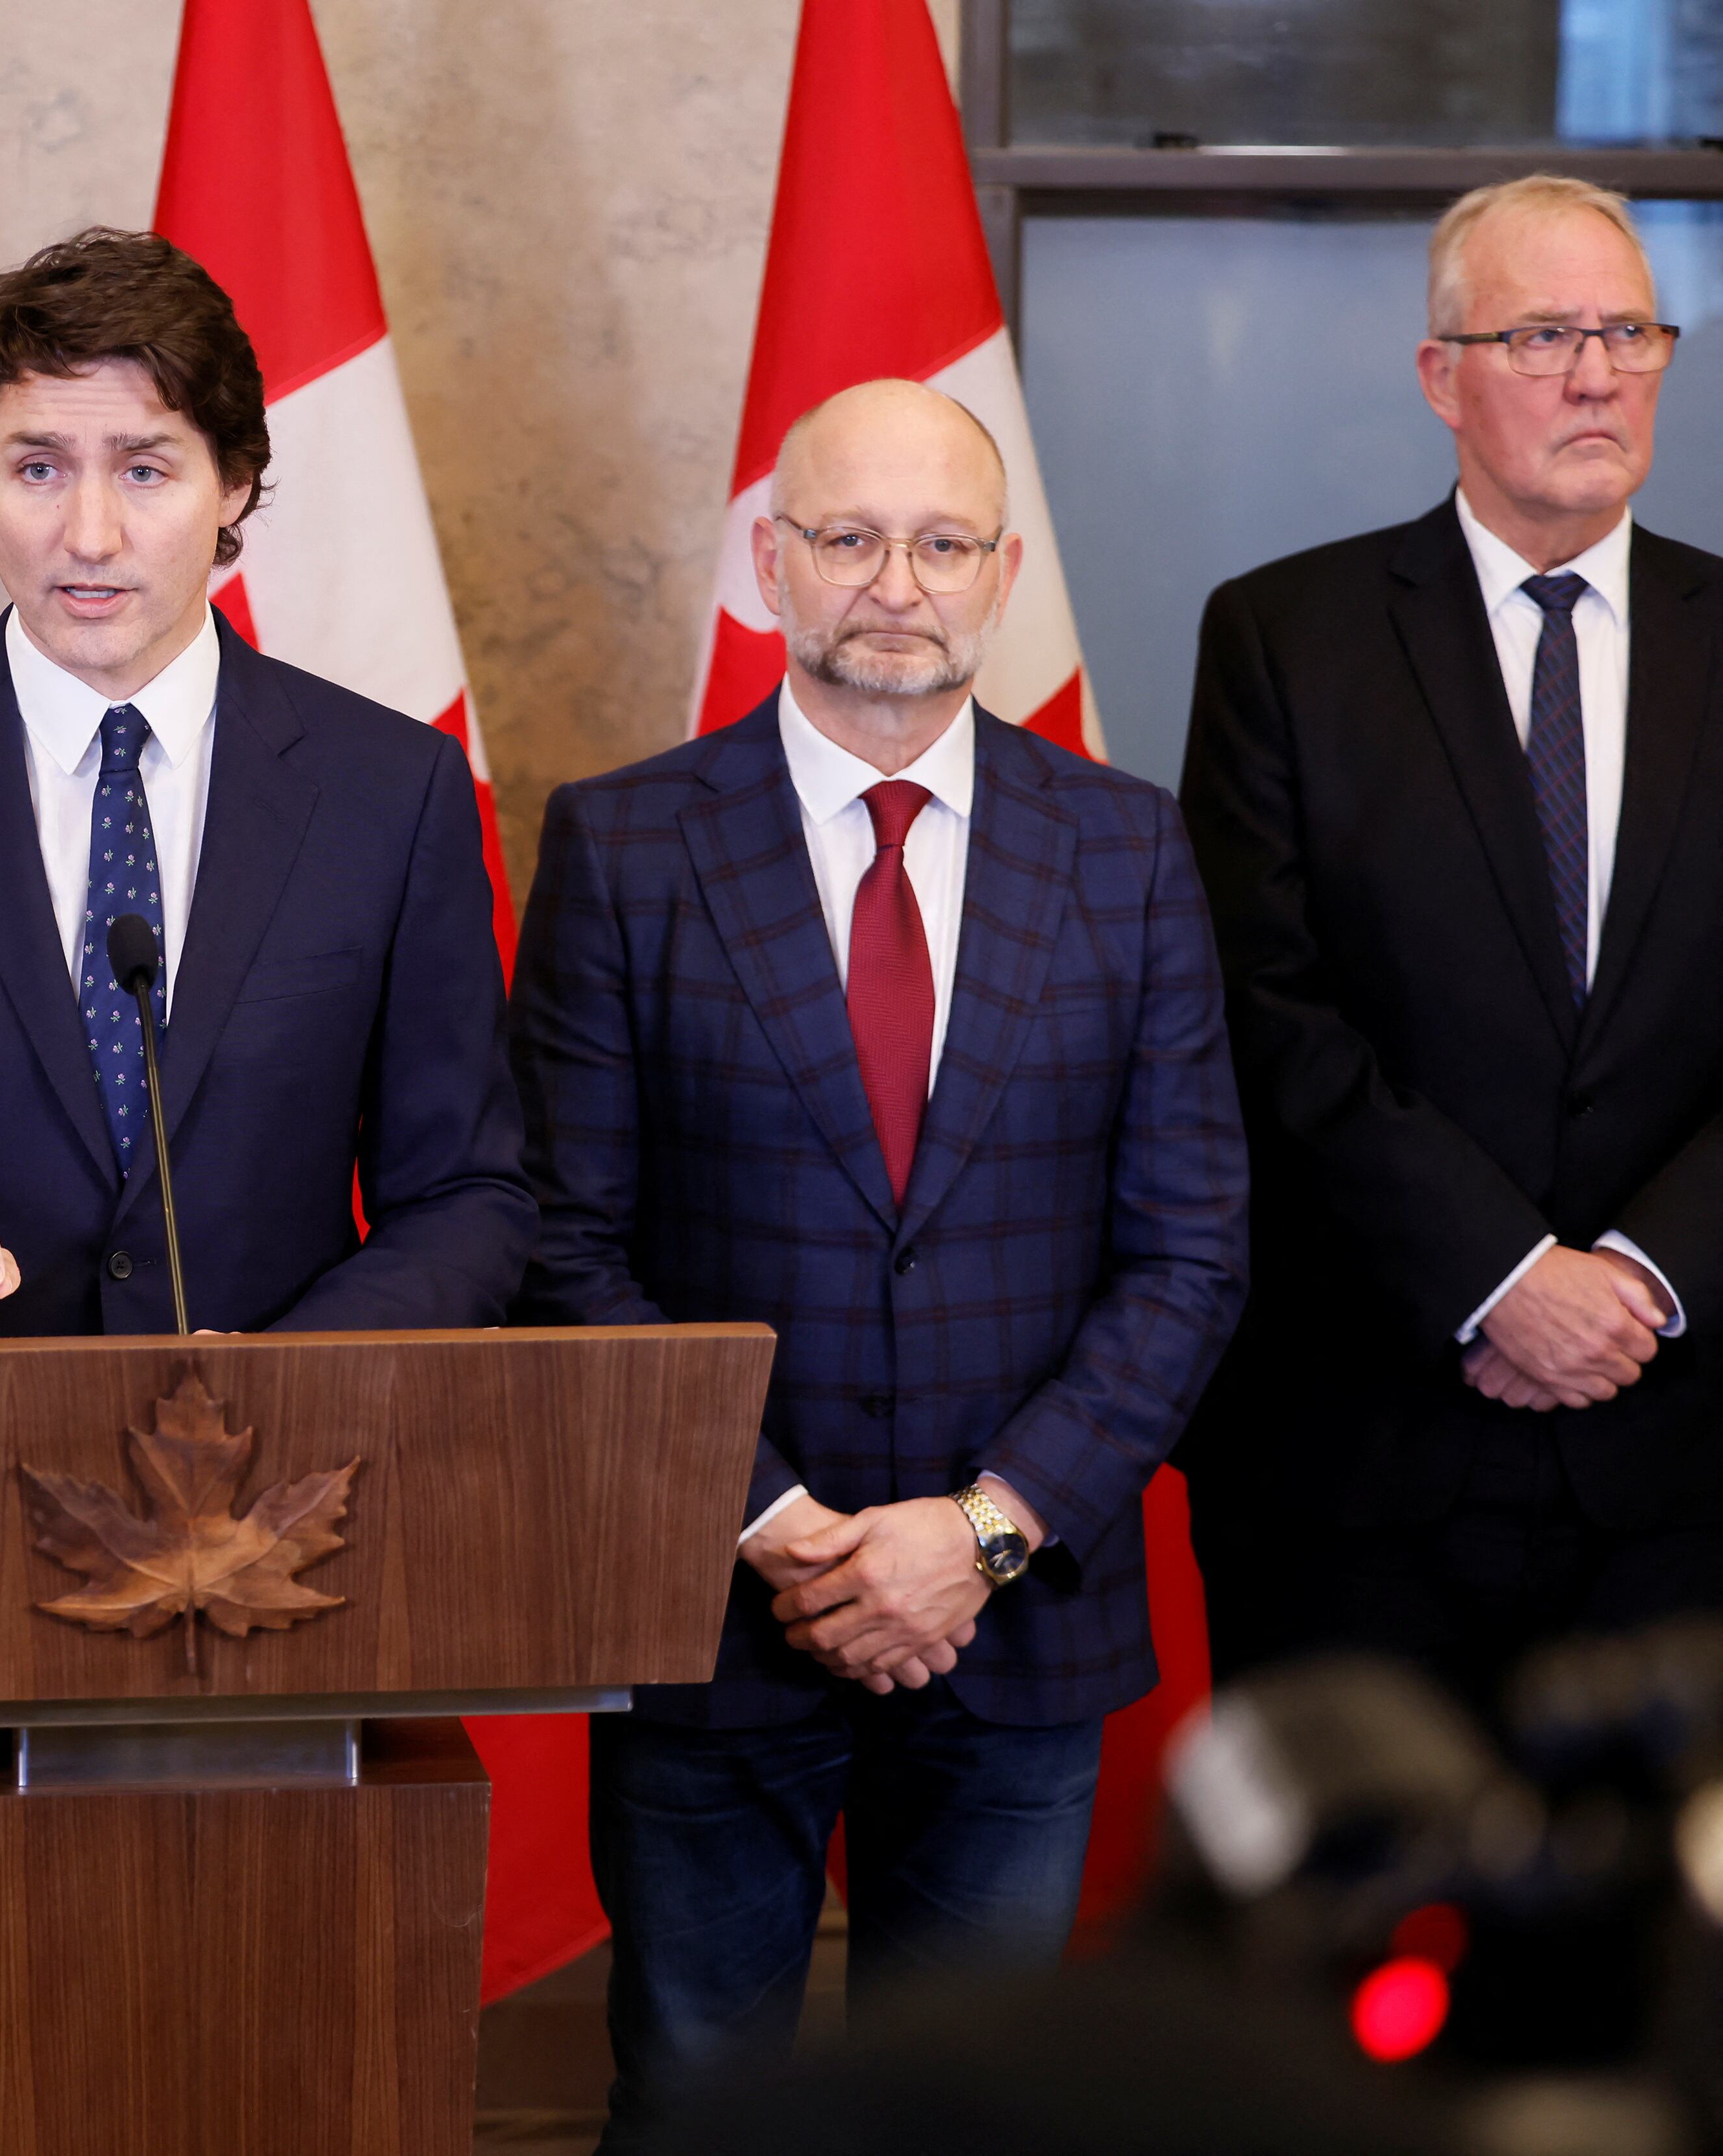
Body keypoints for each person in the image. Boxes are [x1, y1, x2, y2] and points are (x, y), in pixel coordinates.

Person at [0, 227, 534, 2154]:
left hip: (290, 1579)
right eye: (36, 463)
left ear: (235, 494)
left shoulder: (391, 795)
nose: (87, 528)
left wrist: (277, 1376)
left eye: (145, 468)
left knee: (275, 2083)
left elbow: (475, 1193)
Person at [511, 379, 1247, 2137]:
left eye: (938, 545)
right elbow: (564, 1242)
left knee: (983, 2114)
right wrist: (785, 1530)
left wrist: (982, 1533)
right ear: (773, 568)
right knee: (693, 2086)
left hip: (1020, 1611)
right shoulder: (624, 847)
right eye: (848, 539)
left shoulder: (1129, 850)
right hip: (717, 1603)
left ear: (1000, 578)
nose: (893, 584)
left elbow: (1193, 1247)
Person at [1179, 174, 1723, 1702]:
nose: (1598, 372)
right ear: (1442, 377)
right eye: (1546, 332)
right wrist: (1501, 1275)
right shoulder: (1285, 639)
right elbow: (1257, 1005)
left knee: (1657, 1946)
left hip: (1683, 1465)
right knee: (1343, 1938)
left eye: (1629, 330)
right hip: (1364, 1461)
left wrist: (1638, 1276)